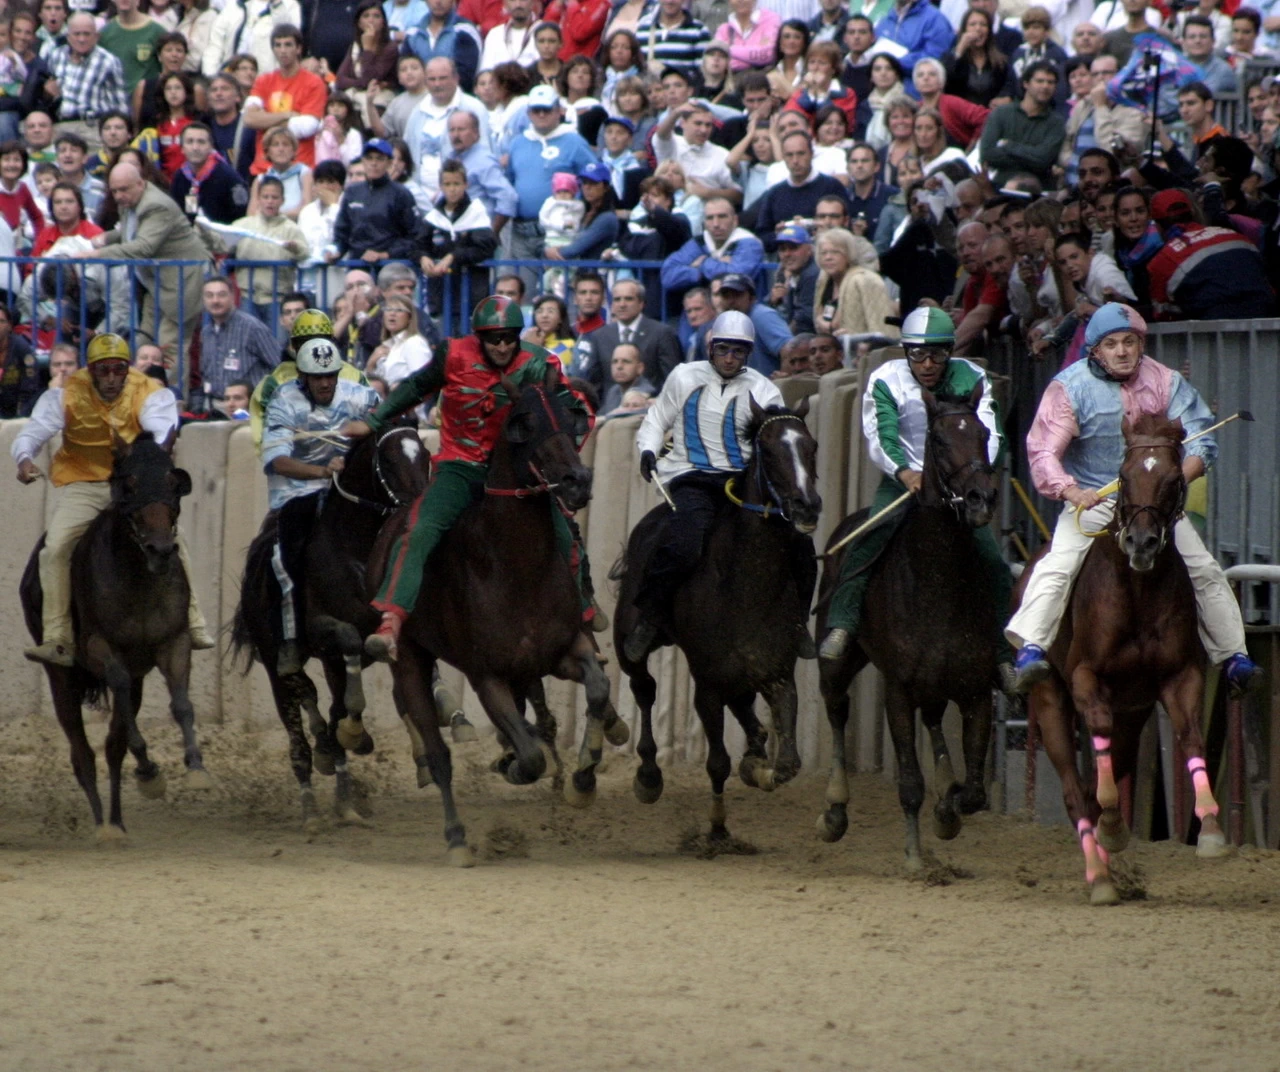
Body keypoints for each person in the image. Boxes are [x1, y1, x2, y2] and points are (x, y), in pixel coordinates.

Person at [1007, 302, 1261, 696]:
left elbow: (1202, 439)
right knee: (1058, 565)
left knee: (1204, 568)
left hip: (1155, 506)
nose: (1123, 351)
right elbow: (1042, 453)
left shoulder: (1167, 381)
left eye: (1130, 342)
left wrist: (1175, 479)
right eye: (1112, 344)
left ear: (1141, 345)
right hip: (1094, 501)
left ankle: (1234, 657)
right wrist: (1071, 491)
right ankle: (1031, 650)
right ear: (1095, 350)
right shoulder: (1068, 389)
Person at [340, 295, 592, 660]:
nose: (502, 345)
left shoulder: (540, 364)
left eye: (509, 336)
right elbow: (414, 388)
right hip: (459, 467)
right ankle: (391, 621)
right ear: (479, 337)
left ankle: (583, 616)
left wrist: (563, 450)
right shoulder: (452, 354)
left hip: (514, 474)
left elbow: (571, 410)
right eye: (494, 338)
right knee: (420, 528)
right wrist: (375, 421)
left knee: (565, 532)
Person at [818, 306, 1011, 681]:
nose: (927, 363)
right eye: (917, 354)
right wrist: (904, 472)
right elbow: (880, 433)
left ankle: (1003, 655)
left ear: (950, 351)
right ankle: (842, 623)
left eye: (937, 353)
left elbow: (991, 431)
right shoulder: (886, 378)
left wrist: (973, 478)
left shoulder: (972, 377)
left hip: (958, 487)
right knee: (867, 543)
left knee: (993, 561)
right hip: (901, 482)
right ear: (905, 352)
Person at [12, 332, 214, 666]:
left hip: (134, 487)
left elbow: (162, 431)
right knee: (57, 547)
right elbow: (32, 433)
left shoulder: (150, 392)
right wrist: (24, 460)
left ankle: (193, 622)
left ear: (127, 368)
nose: (110, 378)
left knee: (177, 541)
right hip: (83, 483)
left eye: (118, 369)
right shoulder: (64, 396)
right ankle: (58, 636)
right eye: (102, 370)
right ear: (89, 370)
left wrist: (143, 453)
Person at [626, 309, 816, 661]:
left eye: (739, 352)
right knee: (683, 544)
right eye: (724, 350)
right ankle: (650, 618)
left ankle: (798, 624)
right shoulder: (684, 376)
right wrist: (649, 450)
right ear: (711, 347)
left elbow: (779, 431)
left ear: (748, 353)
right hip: (691, 478)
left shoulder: (763, 387)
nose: (730, 358)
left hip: (742, 482)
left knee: (800, 544)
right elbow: (656, 419)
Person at [261, 335, 382, 673]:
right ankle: (290, 636)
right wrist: (321, 471)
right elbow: (276, 462)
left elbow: (389, 420)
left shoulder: (358, 395)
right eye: (318, 377)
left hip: (352, 488)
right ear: (304, 377)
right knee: (283, 554)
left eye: (331, 375)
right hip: (299, 491)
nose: (326, 383)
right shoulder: (284, 401)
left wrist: (374, 426)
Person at [73, 161, 210, 357]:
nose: (119, 196)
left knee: (169, 347)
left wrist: (98, 254)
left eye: (123, 190)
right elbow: (129, 233)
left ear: (140, 183)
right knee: (142, 341)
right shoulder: (131, 201)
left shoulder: (156, 205)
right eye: (114, 191)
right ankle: (142, 386)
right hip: (157, 285)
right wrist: (105, 238)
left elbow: (144, 246)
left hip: (182, 283)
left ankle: (172, 389)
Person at [1146, 189, 1275, 319]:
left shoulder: (1163, 259)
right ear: (1192, 212)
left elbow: (1162, 314)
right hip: (1267, 325)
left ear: (1157, 225)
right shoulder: (1236, 236)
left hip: (1213, 333)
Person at [242, 24, 327, 176]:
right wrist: (287, 115)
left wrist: (264, 120)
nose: (282, 50)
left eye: (288, 45)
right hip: (263, 169)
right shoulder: (264, 80)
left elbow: (306, 127)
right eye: (278, 45)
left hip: (299, 169)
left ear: (299, 48)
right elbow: (249, 119)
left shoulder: (314, 82)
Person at [419, 156, 497, 320]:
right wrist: (422, 257)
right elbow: (418, 244)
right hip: (440, 296)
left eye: (456, 184)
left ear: (465, 185)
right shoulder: (434, 217)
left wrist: (454, 256)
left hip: (471, 295)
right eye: (447, 184)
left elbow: (486, 248)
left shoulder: (476, 213)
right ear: (440, 186)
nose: (452, 189)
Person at [41, 14, 129, 151]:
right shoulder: (55, 56)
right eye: (77, 34)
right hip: (60, 126)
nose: (82, 39)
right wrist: (48, 94)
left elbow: (120, 107)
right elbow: (45, 97)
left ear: (96, 36)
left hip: (91, 128)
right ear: (68, 36)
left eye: (87, 34)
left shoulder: (108, 62)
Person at [576, 278, 682, 390]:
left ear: (641, 303)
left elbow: (672, 380)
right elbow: (595, 383)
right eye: (617, 299)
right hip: (611, 406)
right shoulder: (599, 336)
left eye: (628, 299)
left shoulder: (662, 333)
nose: (622, 304)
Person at [753, 131, 851, 252]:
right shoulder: (774, 193)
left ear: (811, 154)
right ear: (783, 157)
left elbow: (847, 225)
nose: (795, 160)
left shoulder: (832, 187)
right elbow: (762, 236)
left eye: (800, 154)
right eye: (789, 155)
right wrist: (778, 236)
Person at [330, 138, 420, 265]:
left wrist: (386, 254)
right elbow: (342, 233)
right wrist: (335, 251)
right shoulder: (352, 192)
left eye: (379, 158)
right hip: (357, 265)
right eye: (369, 158)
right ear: (363, 161)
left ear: (389, 163)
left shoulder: (401, 194)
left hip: (390, 268)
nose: (374, 163)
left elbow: (414, 236)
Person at [978, 60, 1066, 188]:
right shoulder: (1001, 113)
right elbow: (987, 154)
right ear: (1026, 83)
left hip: (1037, 189)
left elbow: (1043, 160)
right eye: (1040, 81)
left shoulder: (1056, 122)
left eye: (1051, 82)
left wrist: (1008, 145)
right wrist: (1031, 157)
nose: (1045, 86)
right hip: (999, 186)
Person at [196, 275, 281, 406]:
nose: (215, 300)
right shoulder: (206, 332)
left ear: (232, 297)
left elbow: (280, 366)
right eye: (209, 295)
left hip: (249, 407)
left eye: (221, 295)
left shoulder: (253, 328)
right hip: (215, 405)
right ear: (203, 300)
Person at [660, 195, 764, 297]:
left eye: (722, 216)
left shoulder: (749, 243)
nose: (716, 224)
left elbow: (738, 276)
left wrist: (702, 264)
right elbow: (668, 276)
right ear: (704, 223)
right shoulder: (699, 242)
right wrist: (699, 273)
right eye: (710, 218)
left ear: (735, 220)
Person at [813, 226, 894, 338]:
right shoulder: (823, 279)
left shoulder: (866, 280)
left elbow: (883, 331)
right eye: (823, 253)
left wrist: (855, 337)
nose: (828, 257)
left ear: (849, 254)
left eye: (835, 252)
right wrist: (820, 322)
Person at [169, 122, 249, 225]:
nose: (195, 147)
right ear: (182, 148)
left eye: (201, 142)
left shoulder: (229, 177)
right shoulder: (180, 176)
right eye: (189, 142)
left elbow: (241, 216)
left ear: (211, 147)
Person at [201, 0, 301, 78]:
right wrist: (211, 76)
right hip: (230, 79)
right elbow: (215, 46)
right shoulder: (234, 6)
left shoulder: (289, 6)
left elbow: (287, 35)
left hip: (266, 79)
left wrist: (277, 5)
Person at [402, 0, 482, 93]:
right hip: (418, 99)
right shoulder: (413, 34)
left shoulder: (464, 30)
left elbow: (466, 76)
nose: (438, 2)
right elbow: (405, 70)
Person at [366, 294, 433, 388]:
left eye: (399, 310)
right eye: (388, 309)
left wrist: (398, 390)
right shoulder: (385, 347)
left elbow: (423, 383)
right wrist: (371, 364)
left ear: (410, 318)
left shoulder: (415, 343)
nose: (392, 313)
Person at [874, 0, 955, 71]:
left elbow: (935, 57)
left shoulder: (935, 18)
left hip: (916, 84)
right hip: (882, 84)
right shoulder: (886, 18)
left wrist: (896, 62)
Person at [770, 222, 819, 333]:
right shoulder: (783, 272)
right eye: (782, 249)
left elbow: (804, 320)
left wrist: (785, 341)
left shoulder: (812, 273)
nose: (787, 254)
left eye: (793, 248)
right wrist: (773, 300)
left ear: (809, 249)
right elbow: (767, 302)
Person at [0, 304, 41, 417]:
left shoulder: (21, 348)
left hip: (15, 407)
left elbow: (30, 387)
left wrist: (20, 415)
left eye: (1, 321)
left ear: (9, 326)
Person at [600, 341, 654, 413]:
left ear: (640, 368)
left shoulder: (646, 393)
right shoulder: (613, 391)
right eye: (615, 361)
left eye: (626, 361)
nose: (619, 366)